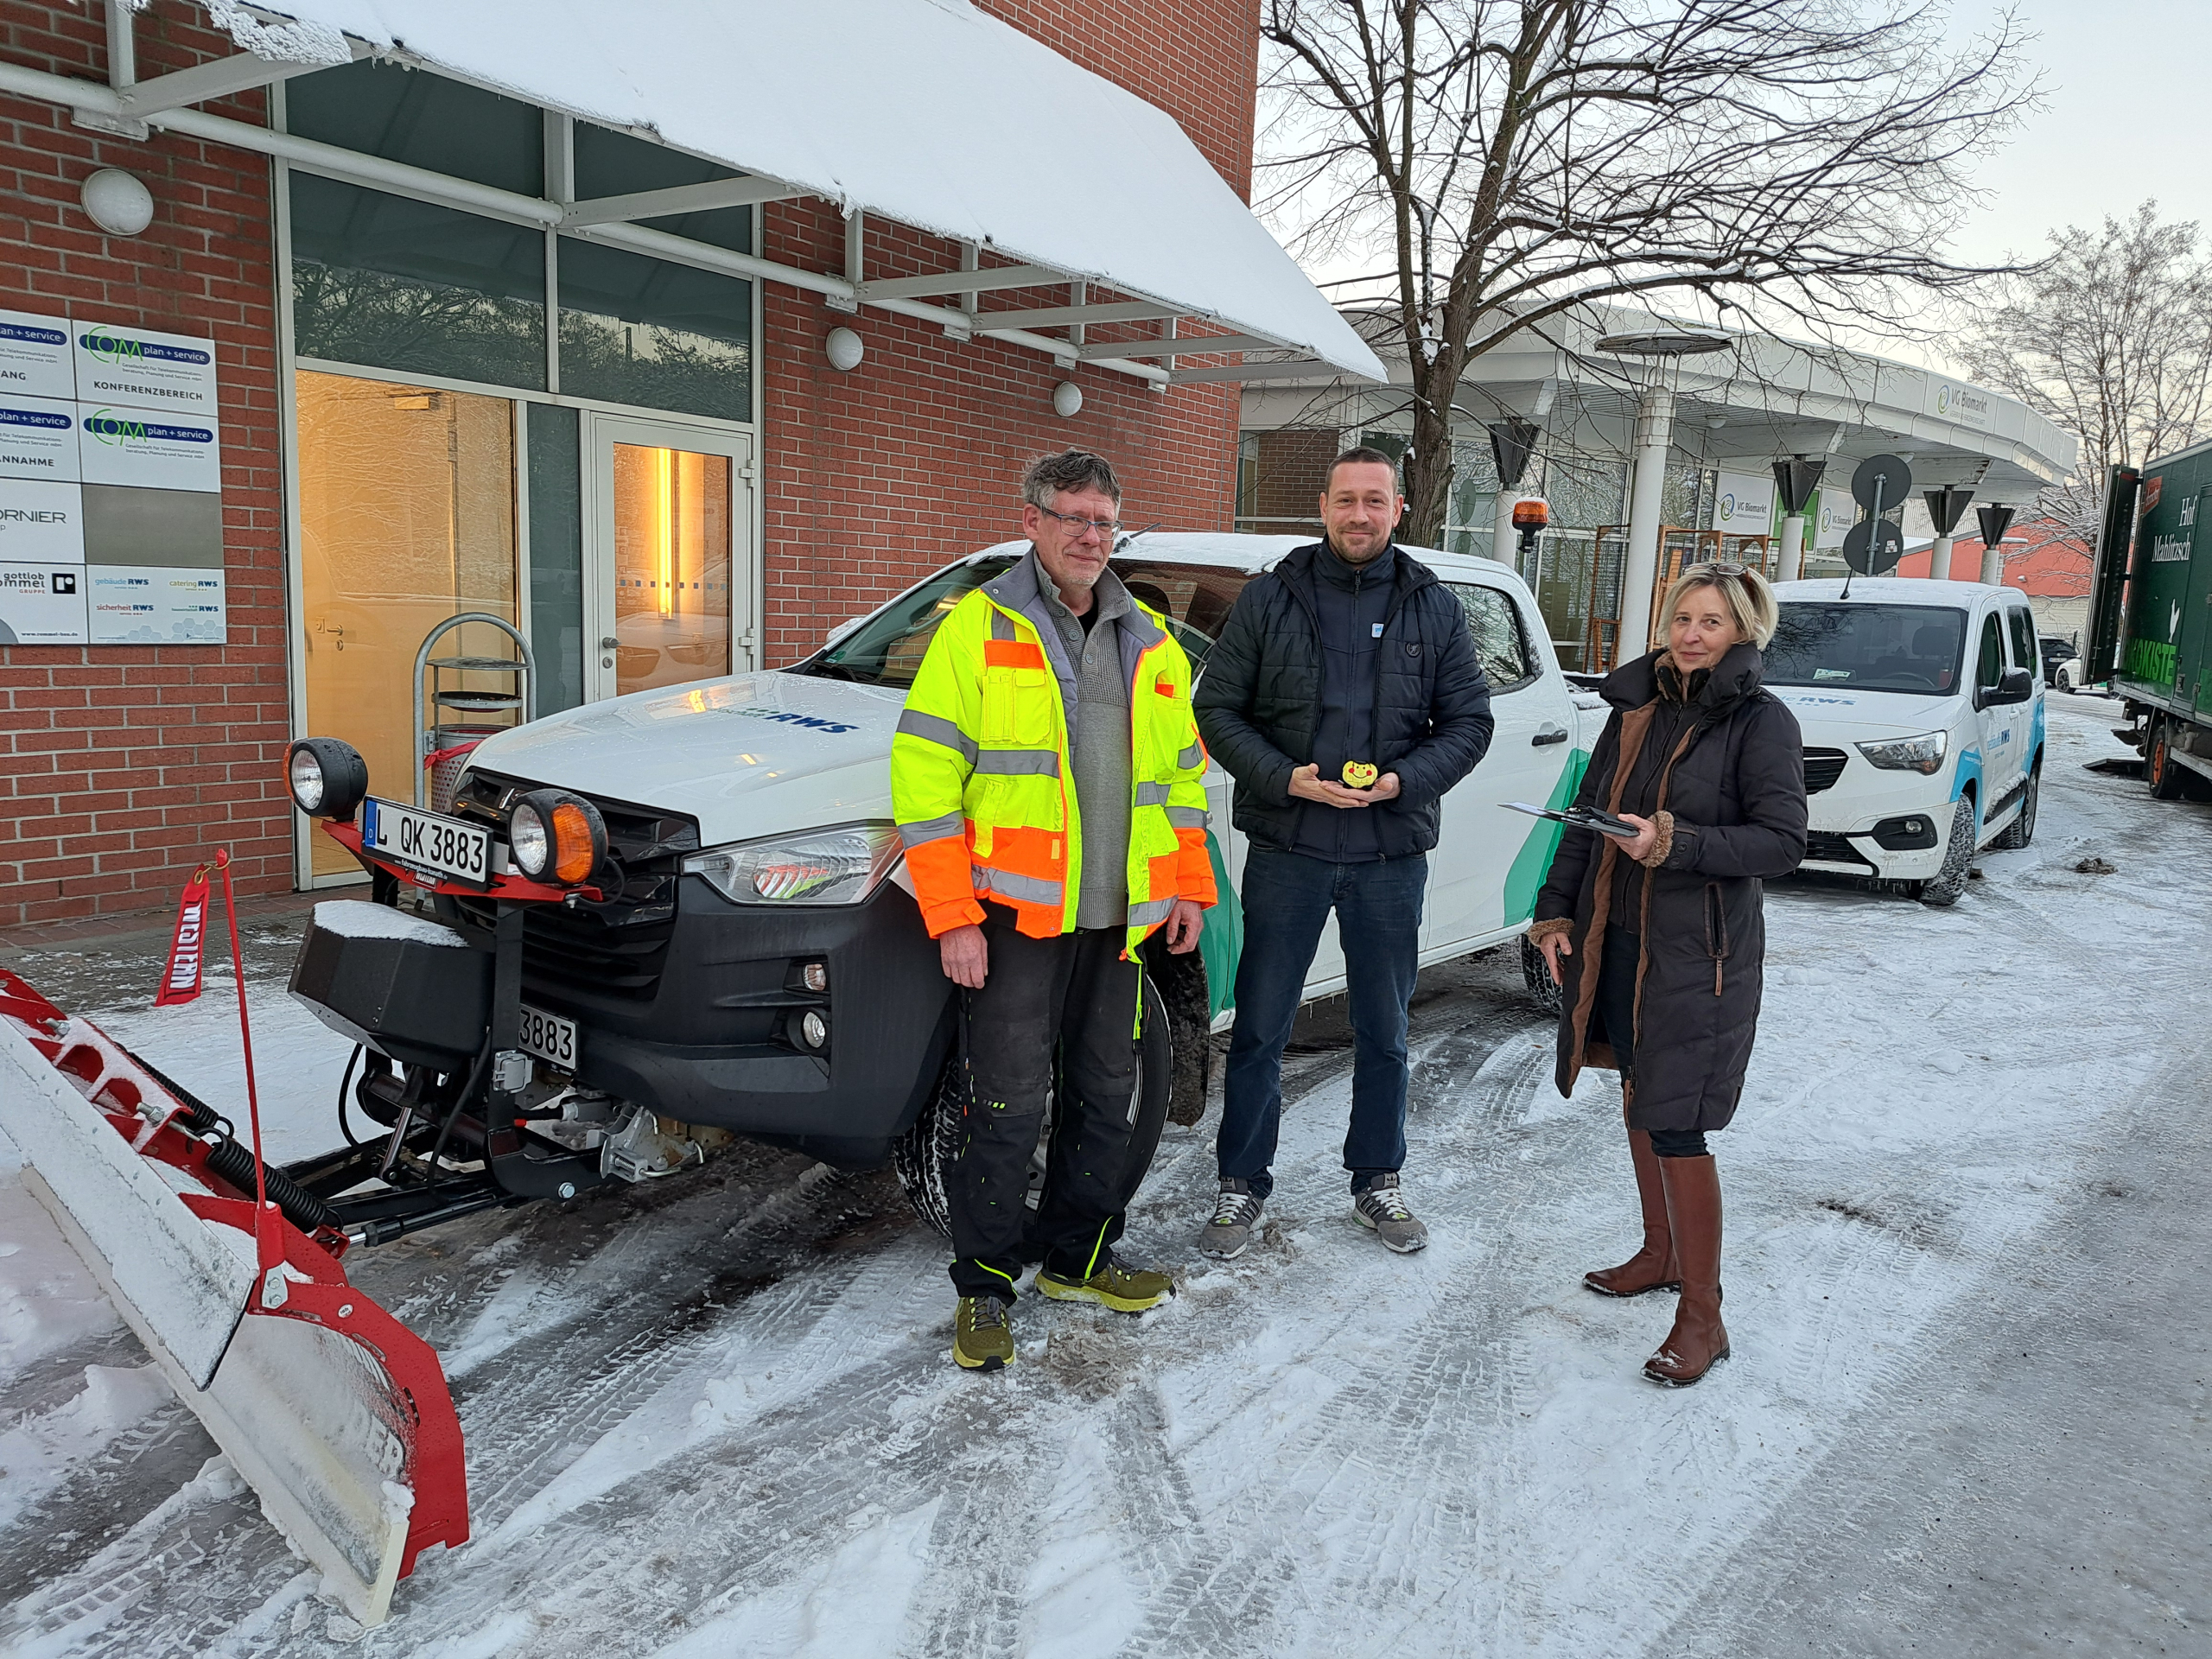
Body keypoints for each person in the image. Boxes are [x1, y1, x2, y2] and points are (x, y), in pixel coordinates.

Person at [891, 449, 1214, 1372]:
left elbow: (1179, 781)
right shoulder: (979, 630)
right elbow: (922, 778)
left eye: (1104, 521)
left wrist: (1187, 884)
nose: (1088, 536)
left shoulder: (1149, 639)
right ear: (1029, 521)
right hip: (1011, 922)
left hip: (1120, 924)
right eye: (1070, 517)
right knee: (1001, 1105)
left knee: (1106, 1098)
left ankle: (1079, 1259)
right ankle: (985, 1286)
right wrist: (951, 914)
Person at [1192, 447, 1494, 1259]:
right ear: (1322, 508)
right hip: (1289, 846)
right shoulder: (1271, 598)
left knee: (1385, 1026)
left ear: (1399, 511)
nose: (1359, 515)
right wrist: (1286, 778)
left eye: (1375, 501)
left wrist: (1403, 783)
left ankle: (1377, 1182)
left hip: (1389, 854)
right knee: (1260, 1027)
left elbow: (1470, 723)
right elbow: (1216, 709)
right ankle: (1241, 1185)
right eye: (1345, 501)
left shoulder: (1434, 606)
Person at [1529, 561, 1807, 1386]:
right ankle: (1660, 1253)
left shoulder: (1763, 723)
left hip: (1701, 957)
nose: (1692, 634)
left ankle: (1704, 1315)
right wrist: (1555, 913)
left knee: (1679, 1119)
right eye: (1683, 618)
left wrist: (1674, 843)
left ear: (1743, 632)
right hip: (1619, 940)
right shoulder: (1634, 710)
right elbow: (1586, 819)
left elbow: (1783, 842)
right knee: (1640, 1095)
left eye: (1711, 622)